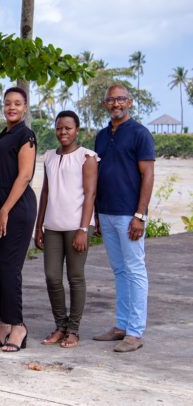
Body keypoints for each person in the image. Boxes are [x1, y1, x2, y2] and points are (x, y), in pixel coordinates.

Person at [92, 84, 155, 352]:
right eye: (111, 100)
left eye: (120, 99)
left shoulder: (140, 134)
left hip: (130, 215)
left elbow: (148, 175)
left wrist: (139, 215)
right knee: (119, 271)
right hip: (106, 213)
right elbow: (96, 175)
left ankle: (135, 332)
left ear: (129, 102)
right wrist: (94, 214)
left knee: (135, 270)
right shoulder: (102, 136)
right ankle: (121, 325)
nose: (115, 103)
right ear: (105, 104)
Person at [34, 111, 98, 348]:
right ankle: (60, 325)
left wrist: (83, 228)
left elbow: (91, 194)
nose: (63, 132)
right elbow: (46, 192)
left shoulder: (87, 157)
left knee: (75, 277)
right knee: (52, 276)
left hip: (76, 227)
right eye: (59, 128)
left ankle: (73, 329)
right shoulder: (50, 156)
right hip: (52, 226)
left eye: (68, 128)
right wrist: (38, 226)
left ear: (77, 130)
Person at [0, 86, 37, 352]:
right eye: (7, 103)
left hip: (15, 207)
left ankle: (18, 326)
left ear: (25, 107)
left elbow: (25, 175)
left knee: (10, 268)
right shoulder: (2, 135)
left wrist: (5, 210)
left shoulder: (25, 135)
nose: (12, 107)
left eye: (17, 103)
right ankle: (4, 323)